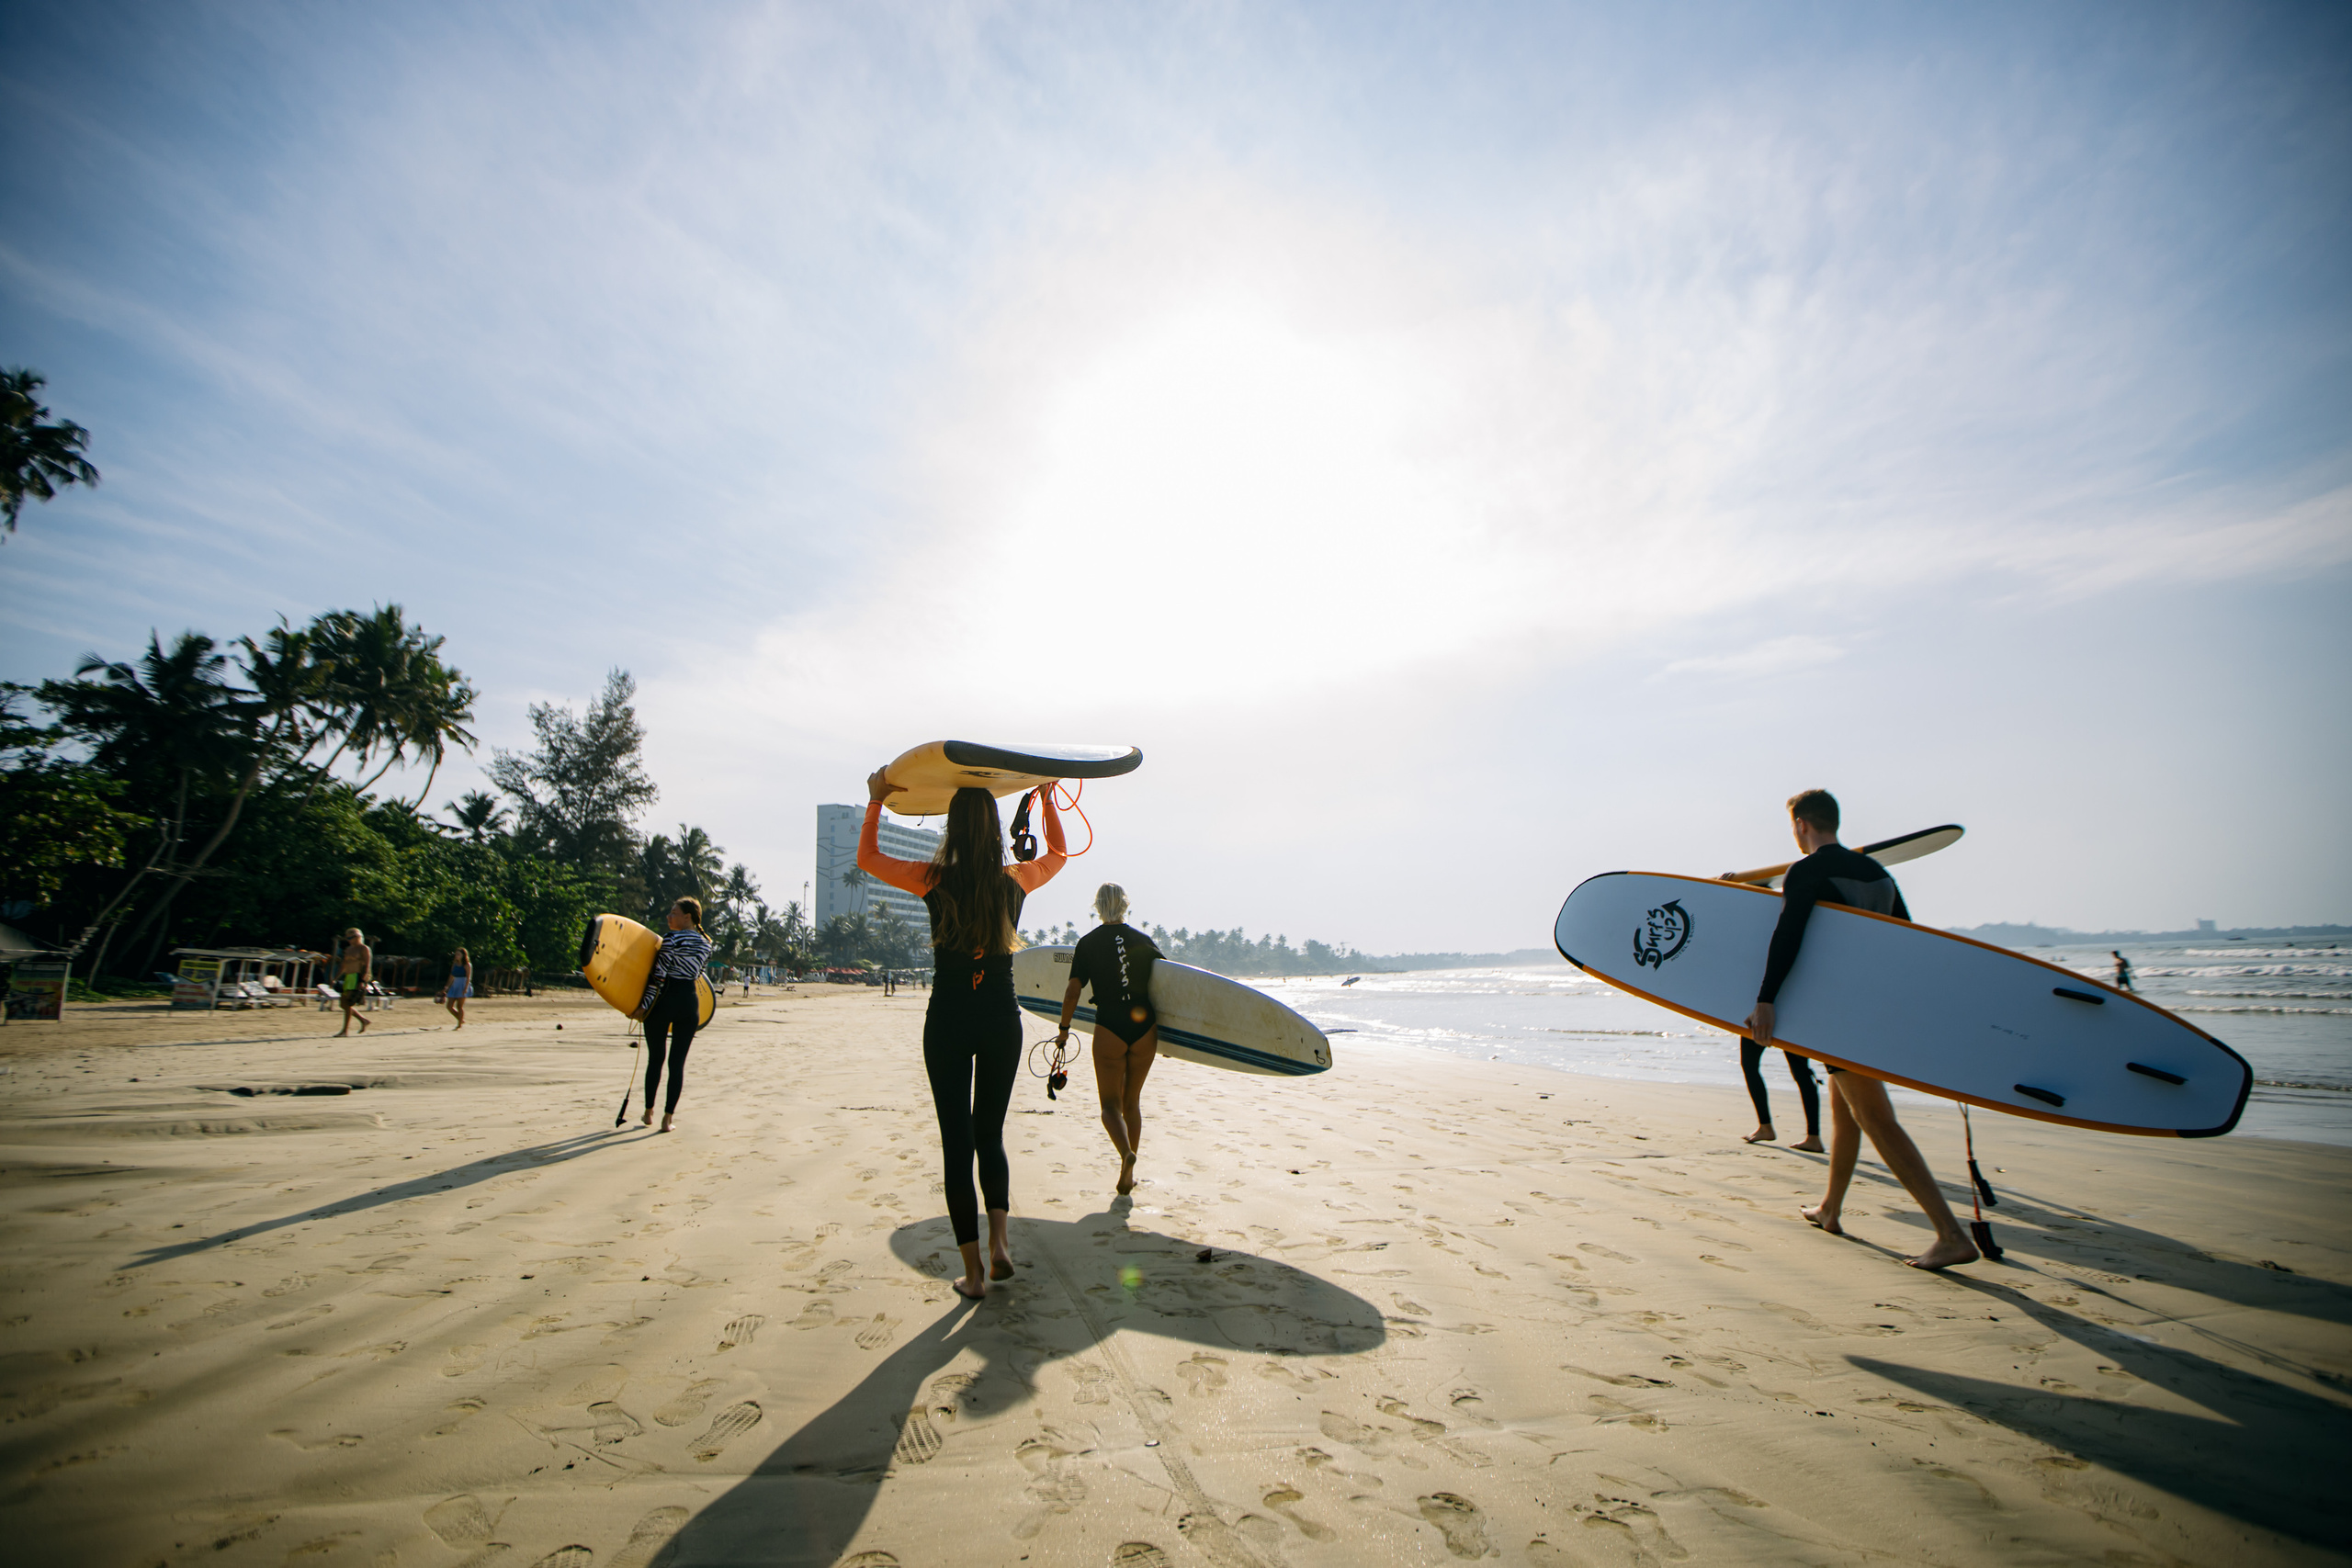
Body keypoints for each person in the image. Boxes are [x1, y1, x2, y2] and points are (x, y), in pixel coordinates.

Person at [1741, 788, 1978, 1270]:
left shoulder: (1805, 872)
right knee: (1844, 1106)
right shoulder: (1878, 874)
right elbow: (1907, 941)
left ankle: (1950, 1234)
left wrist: (1765, 1000)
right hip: (1873, 1012)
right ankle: (1830, 1208)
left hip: (1840, 1014)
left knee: (1875, 1117)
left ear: (1802, 824)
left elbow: (1788, 936)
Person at [859, 771, 1066, 1300]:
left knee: (957, 1145)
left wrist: (876, 801)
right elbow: (1059, 855)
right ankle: (1000, 1244)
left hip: (949, 1021)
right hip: (1001, 1019)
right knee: (989, 1135)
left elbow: (868, 860)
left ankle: (973, 1274)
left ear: (952, 828)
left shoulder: (932, 878)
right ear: (995, 829)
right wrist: (1044, 803)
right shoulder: (1014, 880)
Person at [1057, 884, 1162, 1195]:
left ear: (1098, 907)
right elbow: (1167, 987)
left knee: (1109, 1106)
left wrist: (1064, 1030)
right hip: (1145, 1028)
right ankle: (1129, 1172)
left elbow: (1073, 990)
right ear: (1125, 905)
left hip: (1110, 1028)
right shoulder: (1144, 940)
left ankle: (1125, 1154)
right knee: (1132, 1102)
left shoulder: (1088, 943)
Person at [629, 897, 714, 1134]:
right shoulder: (707, 943)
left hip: (664, 1001)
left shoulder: (671, 939)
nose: (669, 916)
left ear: (687, 916)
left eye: (673, 912)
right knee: (677, 1064)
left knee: (655, 1059)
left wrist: (643, 1006)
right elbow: (698, 974)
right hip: (690, 1003)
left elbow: (659, 976)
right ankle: (668, 1119)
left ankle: (648, 1112)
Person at [1739, 1039, 1824, 1151]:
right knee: (1801, 1071)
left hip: (1764, 1022)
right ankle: (1814, 1138)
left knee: (1750, 1065)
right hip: (1796, 1023)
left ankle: (1765, 1127)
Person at [334, 928, 372, 1037]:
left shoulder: (364, 948)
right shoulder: (349, 949)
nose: (349, 940)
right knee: (343, 1004)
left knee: (348, 1003)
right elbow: (344, 965)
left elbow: (366, 965)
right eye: (348, 938)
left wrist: (362, 980)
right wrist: (335, 978)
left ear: (358, 937)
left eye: (351, 937)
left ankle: (345, 1030)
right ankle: (363, 1020)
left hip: (357, 975)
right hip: (349, 976)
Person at [442, 947, 472, 1028]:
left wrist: (465, 988)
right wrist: (447, 986)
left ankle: (459, 1024)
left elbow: (468, 977)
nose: (456, 956)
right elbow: (451, 976)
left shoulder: (467, 965)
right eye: (456, 954)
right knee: (449, 1006)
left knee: (459, 1006)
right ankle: (460, 1019)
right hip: (455, 984)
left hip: (462, 984)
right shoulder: (455, 964)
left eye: (459, 954)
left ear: (463, 955)